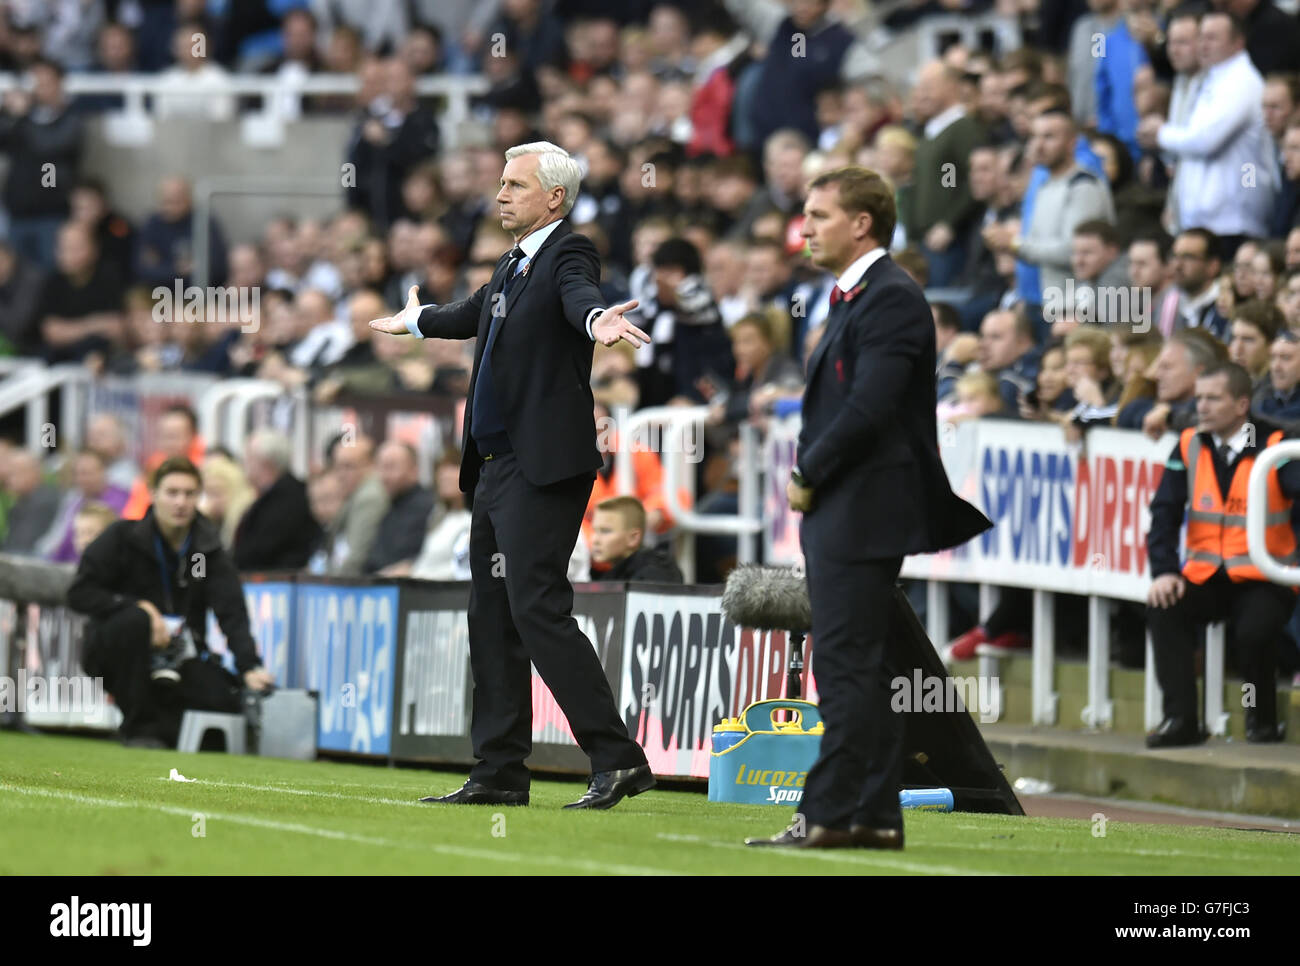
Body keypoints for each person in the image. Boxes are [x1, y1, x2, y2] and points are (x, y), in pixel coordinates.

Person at [369, 140, 654, 809]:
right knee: (491, 615)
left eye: (513, 184)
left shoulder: (568, 252)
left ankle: (617, 760)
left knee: (536, 608)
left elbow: (580, 298)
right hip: (497, 467)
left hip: (543, 465)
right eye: (499, 183)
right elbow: (468, 316)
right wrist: (416, 321)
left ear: (554, 196)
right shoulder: (510, 264)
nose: (499, 194)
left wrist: (595, 320)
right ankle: (498, 770)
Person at [748, 165, 991, 850]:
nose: (805, 229)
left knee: (845, 664)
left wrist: (809, 471)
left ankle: (824, 813)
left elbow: (872, 406)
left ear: (862, 223)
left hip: (861, 506)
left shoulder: (890, 298)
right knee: (868, 668)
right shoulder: (856, 296)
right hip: (850, 506)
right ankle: (875, 817)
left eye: (819, 215)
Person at [66, 457, 274, 748]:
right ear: (153, 494)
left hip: (180, 654)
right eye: (172, 493)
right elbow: (80, 593)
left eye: (189, 494)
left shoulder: (206, 550)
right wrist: (137, 607)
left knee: (221, 708)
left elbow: (232, 612)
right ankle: (140, 729)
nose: (181, 502)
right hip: (119, 648)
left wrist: (249, 665)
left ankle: (162, 730)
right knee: (134, 622)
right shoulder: (123, 537)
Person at [1145, 363, 1298, 746]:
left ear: (1242, 404)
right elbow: (1163, 513)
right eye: (1199, 398)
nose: (1202, 407)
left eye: (1213, 398)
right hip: (1205, 575)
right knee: (1165, 607)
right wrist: (1163, 571)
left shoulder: (1277, 444)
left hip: (1267, 576)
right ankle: (1181, 721)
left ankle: (1261, 722)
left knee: (1253, 631)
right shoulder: (1188, 444)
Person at [232, 429, 321, 570]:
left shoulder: (286, 500)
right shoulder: (274, 495)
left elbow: (258, 551)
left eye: (248, 459)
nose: (244, 466)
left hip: (276, 585)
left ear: (265, 463)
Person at [589, 496, 684, 583]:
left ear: (633, 538)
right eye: (594, 530)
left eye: (605, 531)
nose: (595, 540)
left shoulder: (655, 574)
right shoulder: (613, 576)